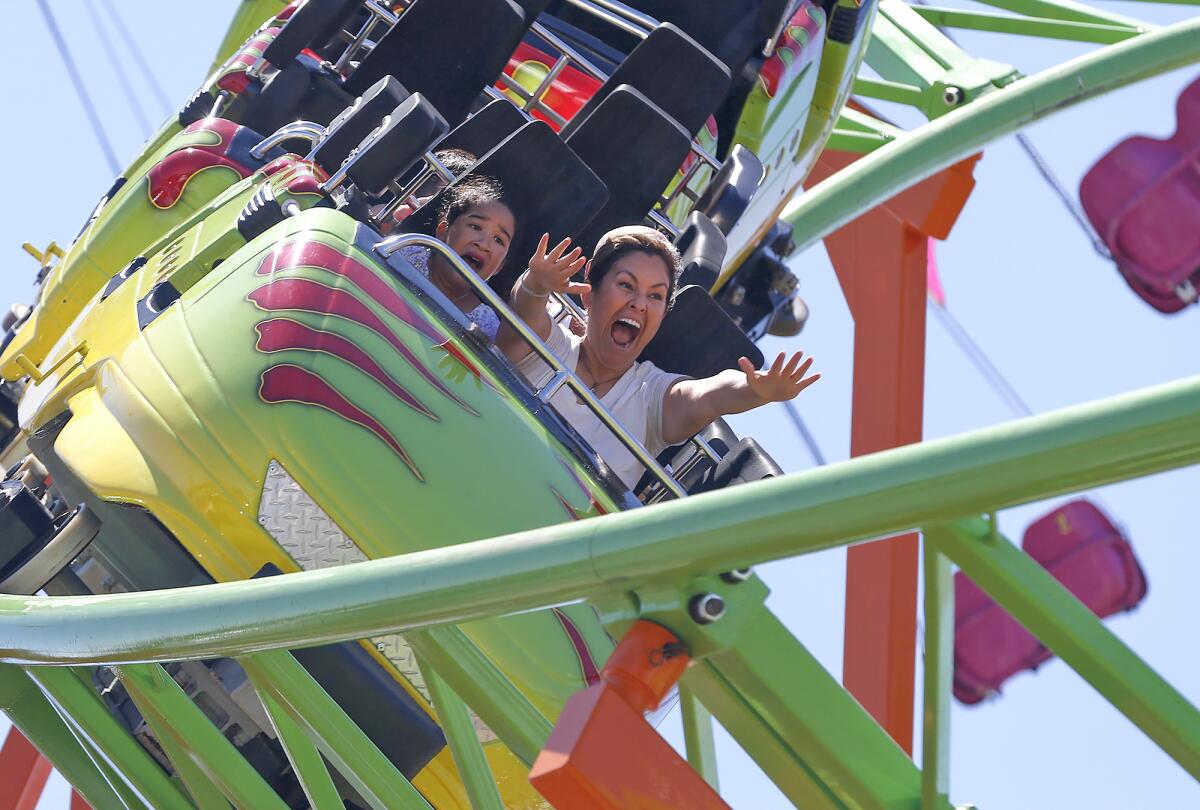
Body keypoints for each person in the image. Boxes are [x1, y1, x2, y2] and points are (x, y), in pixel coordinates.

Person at [497, 225, 819, 490]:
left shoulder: (651, 397)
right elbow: (525, 309)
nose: (639, 304)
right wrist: (535, 283)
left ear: (663, 314)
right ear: (589, 291)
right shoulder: (551, 332)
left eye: (655, 296)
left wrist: (754, 390)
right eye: (626, 285)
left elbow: (710, 393)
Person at [401, 174, 514, 340]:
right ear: (443, 231)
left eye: (498, 240)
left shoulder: (486, 327)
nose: (483, 244)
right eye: (476, 226)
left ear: (499, 266)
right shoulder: (403, 253)